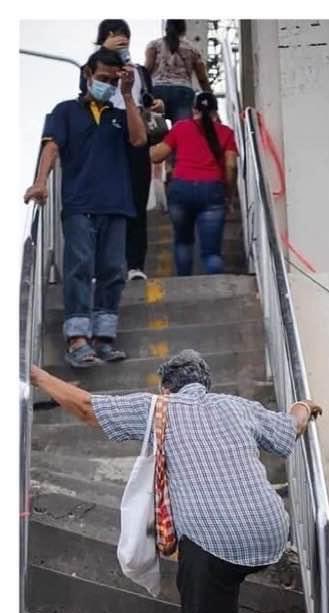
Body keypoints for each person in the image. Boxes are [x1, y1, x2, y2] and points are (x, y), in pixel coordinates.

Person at [30, 350, 323, 613]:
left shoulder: (156, 407)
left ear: (165, 386)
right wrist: (304, 405)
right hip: (271, 535)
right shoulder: (237, 407)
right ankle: (221, 605)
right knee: (222, 576)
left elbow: (85, 407)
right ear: (207, 383)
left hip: (215, 542)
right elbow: (287, 430)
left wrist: (37, 373)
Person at [24, 48, 146, 368]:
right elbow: (51, 146)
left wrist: (128, 96)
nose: (105, 84)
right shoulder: (65, 111)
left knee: (112, 270)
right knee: (79, 266)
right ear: (88, 75)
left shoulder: (120, 115)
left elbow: (139, 140)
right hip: (79, 203)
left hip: (116, 205)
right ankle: (77, 338)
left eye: (111, 79)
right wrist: (41, 182)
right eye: (101, 78)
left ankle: (104, 338)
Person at [95, 19, 166, 282]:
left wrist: (156, 103)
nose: (120, 38)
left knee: (136, 200)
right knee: (107, 202)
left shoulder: (138, 71)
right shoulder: (94, 68)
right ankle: (106, 264)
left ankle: (135, 264)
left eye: (124, 34)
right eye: (113, 34)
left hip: (136, 135)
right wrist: (104, 52)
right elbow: (86, 92)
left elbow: (148, 98)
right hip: (107, 135)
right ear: (103, 38)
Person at [149, 92, 237, 276]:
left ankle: (185, 285)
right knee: (211, 253)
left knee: (183, 242)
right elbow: (231, 166)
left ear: (193, 110)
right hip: (212, 191)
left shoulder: (181, 128)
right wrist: (228, 195)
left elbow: (156, 156)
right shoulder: (226, 133)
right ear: (215, 111)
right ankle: (217, 291)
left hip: (181, 190)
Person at [145, 20, 210, 124]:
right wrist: (209, 96)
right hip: (183, 93)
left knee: (156, 132)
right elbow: (202, 78)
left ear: (166, 29)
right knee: (183, 132)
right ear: (183, 30)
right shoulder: (192, 49)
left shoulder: (153, 45)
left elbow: (146, 71)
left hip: (157, 91)